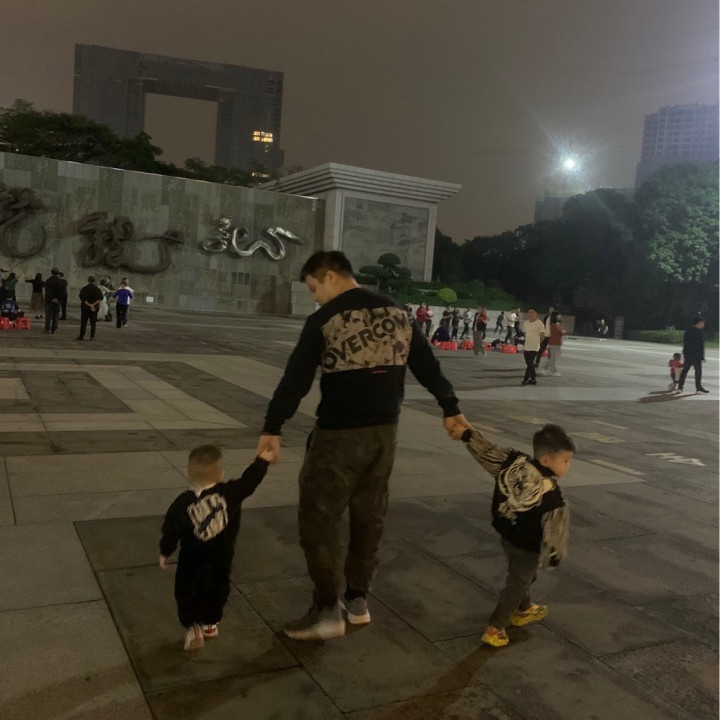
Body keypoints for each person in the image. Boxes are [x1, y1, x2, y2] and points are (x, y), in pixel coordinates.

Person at [255, 250, 469, 641]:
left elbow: (296, 379)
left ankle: (326, 609)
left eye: (314, 288)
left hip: (338, 436)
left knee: (319, 520)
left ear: (330, 276)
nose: (316, 298)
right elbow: (426, 365)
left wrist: (272, 426)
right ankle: (357, 599)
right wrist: (450, 407)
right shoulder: (399, 312)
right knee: (369, 517)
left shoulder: (324, 319)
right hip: (384, 434)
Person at [449, 423, 573, 648]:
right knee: (519, 581)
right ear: (546, 460)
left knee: (520, 575)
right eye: (565, 460)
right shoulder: (553, 496)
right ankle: (495, 627)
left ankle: (525, 608)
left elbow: (487, 452)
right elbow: (556, 530)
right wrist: (555, 554)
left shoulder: (513, 461)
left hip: (506, 532)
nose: (568, 466)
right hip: (527, 546)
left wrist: (467, 435)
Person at [159, 444, 274, 651]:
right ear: (220, 474)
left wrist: (165, 551)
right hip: (221, 558)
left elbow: (171, 530)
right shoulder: (230, 493)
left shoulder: (182, 503)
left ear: (188, 475)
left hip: (191, 560)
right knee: (217, 590)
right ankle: (210, 624)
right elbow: (249, 482)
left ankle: (193, 627)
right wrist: (262, 461)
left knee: (187, 592)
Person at [677, 317, 709, 394]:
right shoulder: (699, 332)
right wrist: (701, 356)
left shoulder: (688, 331)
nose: (703, 325)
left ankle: (680, 387)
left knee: (686, 371)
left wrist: (685, 353)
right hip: (695, 355)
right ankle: (698, 388)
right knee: (697, 372)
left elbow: (685, 343)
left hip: (689, 355)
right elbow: (700, 345)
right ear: (699, 323)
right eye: (703, 323)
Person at [521, 308, 545, 386]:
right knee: (528, 363)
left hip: (535, 347)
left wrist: (538, 342)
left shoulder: (540, 323)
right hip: (527, 346)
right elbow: (525, 333)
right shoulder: (525, 323)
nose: (530, 314)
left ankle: (526, 379)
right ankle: (533, 379)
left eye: (532, 312)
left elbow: (542, 335)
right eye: (529, 312)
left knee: (530, 363)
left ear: (536, 313)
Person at [76, 276, 104, 341]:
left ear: (88, 280)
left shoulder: (84, 288)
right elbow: (100, 298)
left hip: (85, 307)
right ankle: (92, 336)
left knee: (83, 322)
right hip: (94, 308)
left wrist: (89, 304)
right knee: (93, 323)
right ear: (94, 281)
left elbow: (82, 298)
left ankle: (81, 336)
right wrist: (93, 305)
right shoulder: (97, 289)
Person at [43, 267, 64, 335]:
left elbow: (47, 291)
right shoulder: (61, 282)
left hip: (49, 301)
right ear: (58, 273)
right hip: (57, 301)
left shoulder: (48, 281)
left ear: (51, 273)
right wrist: (58, 299)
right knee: (56, 315)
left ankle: (47, 328)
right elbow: (63, 292)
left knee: (48, 315)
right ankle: (54, 328)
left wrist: (52, 298)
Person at [546, 312, 566, 376]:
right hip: (553, 343)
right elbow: (560, 332)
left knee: (553, 357)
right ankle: (553, 370)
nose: (559, 318)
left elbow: (562, 331)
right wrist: (563, 331)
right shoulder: (553, 325)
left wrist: (562, 331)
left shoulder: (557, 324)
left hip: (557, 343)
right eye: (558, 316)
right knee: (553, 358)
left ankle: (545, 367)